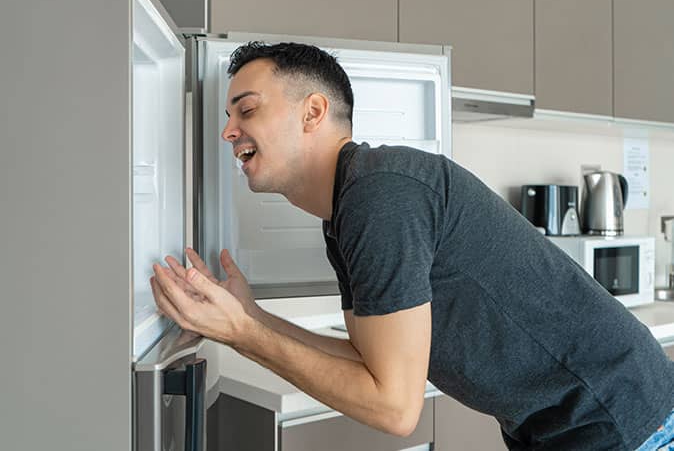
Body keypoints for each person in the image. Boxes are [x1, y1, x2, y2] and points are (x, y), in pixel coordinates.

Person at [150, 42, 674, 450]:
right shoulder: (347, 209)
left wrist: (243, 334)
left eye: (245, 109)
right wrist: (252, 317)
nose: (228, 131)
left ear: (312, 112)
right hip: (588, 421)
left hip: (623, 420)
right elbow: (365, 362)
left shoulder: (380, 194)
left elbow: (393, 408)